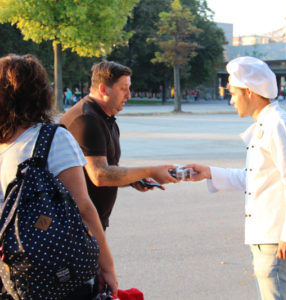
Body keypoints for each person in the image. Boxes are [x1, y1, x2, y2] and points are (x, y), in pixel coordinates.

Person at [185, 56, 286, 300]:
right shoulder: (265, 124)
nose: (230, 100)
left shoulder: (279, 125)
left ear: (250, 92)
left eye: (233, 93)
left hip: (277, 241)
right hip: (265, 238)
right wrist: (209, 172)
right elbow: (255, 179)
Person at [0, 54, 117, 298]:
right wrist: (107, 266)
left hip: (10, 272)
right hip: (54, 273)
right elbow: (83, 207)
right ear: (40, 93)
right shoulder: (51, 139)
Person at [60, 60, 178, 230]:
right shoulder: (86, 119)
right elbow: (100, 175)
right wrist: (151, 170)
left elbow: (109, 170)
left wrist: (132, 179)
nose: (129, 95)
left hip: (91, 223)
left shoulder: (105, 118)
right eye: (123, 89)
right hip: (76, 225)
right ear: (103, 89)